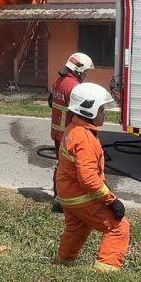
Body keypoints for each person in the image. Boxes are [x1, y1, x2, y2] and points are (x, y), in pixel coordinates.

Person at [53, 82, 130, 272]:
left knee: (77, 230)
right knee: (118, 227)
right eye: (101, 110)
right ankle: (105, 275)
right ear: (89, 111)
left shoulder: (73, 129)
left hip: (68, 195)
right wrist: (111, 200)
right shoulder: (85, 138)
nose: (104, 114)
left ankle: (61, 267)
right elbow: (88, 179)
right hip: (81, 196)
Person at [48, 52, 94, 211]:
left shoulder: (58, 81)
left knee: (62, 166)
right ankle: (63, 201)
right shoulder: (74, 87)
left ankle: (59, 197)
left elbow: (50, 101)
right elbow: (81, 114)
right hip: (68, 135)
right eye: (86, 72)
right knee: (69, 170)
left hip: (57, 133)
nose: (87, 75)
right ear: (79, 70)